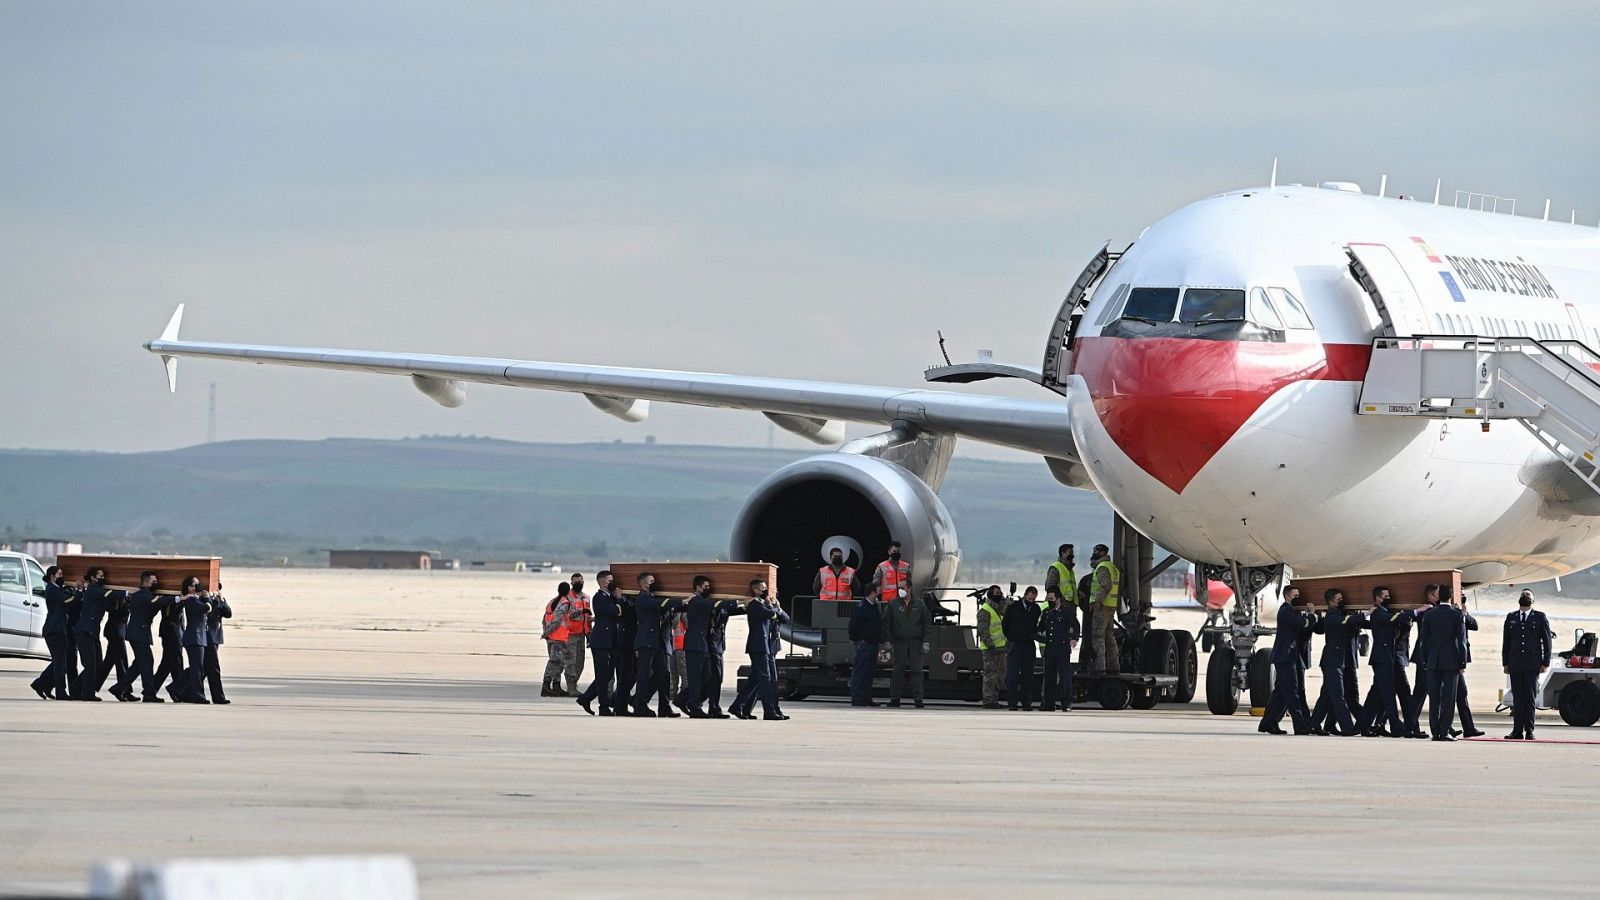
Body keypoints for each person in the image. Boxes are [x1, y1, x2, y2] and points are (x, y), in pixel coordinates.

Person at [1356, 586, 1415, 738]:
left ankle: (1362, 725)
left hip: (1386, 658)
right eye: (1386, 596)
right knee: (1387, 693)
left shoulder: (1386, 613)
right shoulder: (1378, 613)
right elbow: (1392, 620)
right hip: (1382, 659)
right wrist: (1416, 610)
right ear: (1377, 598)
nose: (1389, 598)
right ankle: (1396, 726)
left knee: (1377, 694)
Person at [1259, 585, 1313, 735]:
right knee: (1291, 691)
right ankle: (1300, 725)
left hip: (1288, 656)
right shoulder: (1286, 611)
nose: (1298, 598)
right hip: (1285, 657)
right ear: (1288, 596)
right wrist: (1311, 614)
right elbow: (1304, 624)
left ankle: (1268, 723)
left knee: (1281, 693)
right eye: (1296, 595)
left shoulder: (1290, 611)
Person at [731, 580, 788, 720]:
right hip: (759, 647)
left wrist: (777, 608)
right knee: (765, 681)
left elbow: (785, 618)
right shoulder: (755, 605)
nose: (766, 590)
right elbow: (771, 615)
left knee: (758, 680)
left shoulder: (764, 605)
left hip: (768, 648)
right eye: (764, 588)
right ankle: (769, 712)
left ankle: (738, 707)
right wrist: (773, 607)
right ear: (756, 591)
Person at [631, 573, 685, 718]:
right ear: (644, 584)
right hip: (646, 642)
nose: (655, 583)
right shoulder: (643, 598)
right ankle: (640, 705)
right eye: (652, 581)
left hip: (658, 643)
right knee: (643, 675)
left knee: (663, 673)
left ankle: (659, 705)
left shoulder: (655, 599)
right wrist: (683, 599)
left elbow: (670, 608)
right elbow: (662, 604)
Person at [1308, 589, 1360, 736]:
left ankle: (1313, 725)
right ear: (1331, 602)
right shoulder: (1332, 616)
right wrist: (1366, 614)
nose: (1341, 601)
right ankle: (1347, 727)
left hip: (1336, 661)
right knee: (1338, 696)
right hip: (1332, 662)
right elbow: (1344, 622)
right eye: (1339, 599)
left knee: (1326, 697)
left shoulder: (1336, 614)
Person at [1502, 589, 1552, 740]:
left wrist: (1545, 662)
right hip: (1515, 663)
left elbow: (1547, 641)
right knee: (1518, 698)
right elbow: (1506, 642)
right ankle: (1517, 730)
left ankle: (1529, 730)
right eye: (1524, 594)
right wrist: (1505, 662)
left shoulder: (1540, 617)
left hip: (1532, 664)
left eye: (1529, 595)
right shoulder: (1511, 617)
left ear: (1533, 601)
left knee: (1529, 698)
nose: (1526, 596)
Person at [1421, 585, 1469, 741]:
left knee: (1434, 698)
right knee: (1448, 698)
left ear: (1438, 596)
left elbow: (1423, 641)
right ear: (1451, 597)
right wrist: (1462, 662)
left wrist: (1425, 659)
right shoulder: (1457, 615)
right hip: (1451, 661)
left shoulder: (1429, 614)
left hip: (1433, 660)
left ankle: (1435, 731)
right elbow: (1461, 641)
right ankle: (1444, 731)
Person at [112, 571, 166, 703]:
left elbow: (152, 609)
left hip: (138, 633)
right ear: (146, 582)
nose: (156, 583)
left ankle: (119, 688)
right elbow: (156, 602)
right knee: (147, 662)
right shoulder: (143, 594)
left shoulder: (144, 595)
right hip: (138, 634)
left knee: (139, 664)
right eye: (154, 581)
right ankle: (148, 693)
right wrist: (179, 598)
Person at [29, 566, 78, 700]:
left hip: (58, 629)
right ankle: (60, 692)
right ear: (52, 576)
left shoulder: (57, 589)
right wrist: (78, 590)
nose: (62, 577)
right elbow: (69, 600)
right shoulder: (52, 589)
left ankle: (42, 684)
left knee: (60, 661)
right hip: (54, 630)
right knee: (60, 662)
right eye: (60, 574)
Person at [576, 570, 620, 716]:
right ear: (601, 582)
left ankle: (586, 698)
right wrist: (618, 599)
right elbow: (614, 612)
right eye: (609, 581)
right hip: (601, 641)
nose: (612, 583)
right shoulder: (599, 598)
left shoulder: (609, 597)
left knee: (606, 675)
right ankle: (603, 706)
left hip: (609, 641)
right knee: (602, 675)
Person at [882, 581, 931, 708]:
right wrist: (888, 641)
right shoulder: (893, 604)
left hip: (915, 642)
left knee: (917, 672)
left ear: (909, 589)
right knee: (898, 671)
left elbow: (926, 624)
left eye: (902, 588)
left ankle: (918, 699)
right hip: (899, 642)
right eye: (898, 588)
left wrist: (926, 641)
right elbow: (887, 624)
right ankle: (895, 699)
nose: (900, 590)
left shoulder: (920, 605)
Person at [677, 575, 720, 717]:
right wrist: (739, 601)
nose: (709, 589)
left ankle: (683, 699)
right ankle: (695, 707)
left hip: (703, 645)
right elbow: (715, 605)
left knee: (707, 677)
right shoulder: (696, 601)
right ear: (698, 587)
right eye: (706, 586)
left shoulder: (702, 601)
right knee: (696, 678)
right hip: (695, 644)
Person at [1405, 583, 1442, 738]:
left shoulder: (1429, 609)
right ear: (1431, 595)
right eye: (1437, 594)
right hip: (1425, 656)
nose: (1439, 597)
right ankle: (1410, 725)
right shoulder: (1427, 610)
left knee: (1421, 691)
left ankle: (1412, 725)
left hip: (1424, 655)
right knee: (1421, 692)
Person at [72, 567, 114, 701]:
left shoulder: (96, 590)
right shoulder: (93, 589)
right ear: (92, 578)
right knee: (91, 665)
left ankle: (75, 688)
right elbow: (107, 594)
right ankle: (87, 694)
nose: (102, 578)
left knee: (98, 664)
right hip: (85, 631)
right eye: (100, 576)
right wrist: (125, 592)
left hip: (92, 632)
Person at [701, 586, 742, 718]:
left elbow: (735, 610)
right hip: (710, 646)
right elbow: (720, 606)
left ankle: (686, 700)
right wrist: (740, 600)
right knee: (713, 678)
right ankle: (712, 707)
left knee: (717, 679)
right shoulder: (708, 604)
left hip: (718, 646)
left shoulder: (723, 607)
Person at [1037, 589, 1079, 712]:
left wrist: (1074, 639)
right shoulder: (1046, 613)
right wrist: (1035, 636)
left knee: (1065, 678)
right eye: (1048, 599)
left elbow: (1075, 625)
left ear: (1058, 599)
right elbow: (1040, 628)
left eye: (1051, 599)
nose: (1049, 602)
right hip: (1050, 649)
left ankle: (1066, 703)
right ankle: (1048, 704)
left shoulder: (1067, 612)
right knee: (1049, 678)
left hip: (1062, 650)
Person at [1003, 586, 1042, 711]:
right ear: (1025, 595)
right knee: (1012, 675)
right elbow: (1005, 624)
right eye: (1029, 598)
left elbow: (1037, 625)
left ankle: (1026, 702)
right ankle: (1012, 703)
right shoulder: (1013, 608)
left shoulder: (1036, 609)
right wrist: (1011, 636)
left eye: (1033, 599)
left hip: (1028, 644)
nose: (1030, 601)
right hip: (1015, 643)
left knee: (1028, 676)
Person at [176, 577, 213, 704]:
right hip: (194, 638)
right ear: (188, 587)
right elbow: (206, 608)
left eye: (197, 585)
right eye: (193, 585)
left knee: (196, 668)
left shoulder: (196, 599)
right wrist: (207, 598)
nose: (195, 587)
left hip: (199, 637)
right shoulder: (190, 600)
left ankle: (176, 689)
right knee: (197, 668)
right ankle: (198, 696)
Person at [1086, 545, 1121, 676]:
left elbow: (1106, 585)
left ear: (1102, 553)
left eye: (1095, 551)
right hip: (1110, 606)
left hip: (1102, 607)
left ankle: (1099, 668)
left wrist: (1098, 601)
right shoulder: (1112, 567)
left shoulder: (1102, 567)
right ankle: (1113, 667)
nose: (1093, 554)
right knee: (1109, 637)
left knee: (1098, 637)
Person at [96, 581, 133, 701]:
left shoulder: (125, 596)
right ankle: (123, 690)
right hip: (115, 631)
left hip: (119, 631)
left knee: (108, 663)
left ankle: (87, 687)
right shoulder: (116, 596)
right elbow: (111, 606)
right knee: (122, 661)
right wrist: (123, 593)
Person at [1454, 596, 1485, 739]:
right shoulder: (1449, 613)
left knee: (1461, 694)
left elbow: (1474, 625)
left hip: (1458, 661)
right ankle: (1446, 727)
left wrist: (1465, 613)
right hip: (1449, 661)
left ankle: (1468, 727)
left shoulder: (1461, 614)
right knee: (1447, 696)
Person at [847, 587, 884, 707]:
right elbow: (853, 625)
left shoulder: (873, 607)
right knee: (860, 671)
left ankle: (867, 697)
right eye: (877, 592)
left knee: (869, 672)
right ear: (872, 593)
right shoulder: (861, 607)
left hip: (873, 643)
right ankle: (857, 698)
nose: (879, 595)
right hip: (864, 643)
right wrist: (854, 639)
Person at [975, 585, 1008, 709]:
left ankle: (994, 698)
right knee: (990, 674)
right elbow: (983, 630)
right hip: (990, 649)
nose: (999, 596)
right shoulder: (986, 610)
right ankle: (988, 699)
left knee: (1000, 675)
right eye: (997, 593)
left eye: (1000, 593)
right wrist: (990, 645)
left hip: (1001, 647)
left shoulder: (999, 610)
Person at [201, 581, 232, 704]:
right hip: (208, 636)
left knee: (204, 668)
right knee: (213, 668)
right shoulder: (205, 599)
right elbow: (208, 612)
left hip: (216, 636)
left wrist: (222, 599)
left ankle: (178, 688)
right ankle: (218, 697)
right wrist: (210, 598)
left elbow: (228, 613)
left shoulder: (218, 599)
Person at [541, 582, 572, 697]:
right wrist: (548, 632)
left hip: (552, 637)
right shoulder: (564, 603)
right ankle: (546, 685)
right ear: (568, 591)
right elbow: (557, 620)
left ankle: (556, 686)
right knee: (555, 662)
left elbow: (544, 619)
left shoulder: (552, 602)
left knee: (559, 662)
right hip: (559, 637)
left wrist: (546, 632)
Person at [561, 574, 590, 696]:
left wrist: (589, 634)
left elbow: (587, 617)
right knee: (570, 661)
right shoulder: (568, 597)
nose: (579, 583)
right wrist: (581, 612)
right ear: (572, 583)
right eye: (576, 582)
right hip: (571, 634)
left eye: (581, 581)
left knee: (580, 662)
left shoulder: (586, 597)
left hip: (582, 634)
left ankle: (574, 684)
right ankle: (571, 687)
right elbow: (567, 614)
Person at [668, 611, 688, 707]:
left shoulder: (680, 612)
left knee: (681, 673)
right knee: (675, 673)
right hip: (675, 645)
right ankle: (675, 694)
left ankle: (681, 695)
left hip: (679, 645)